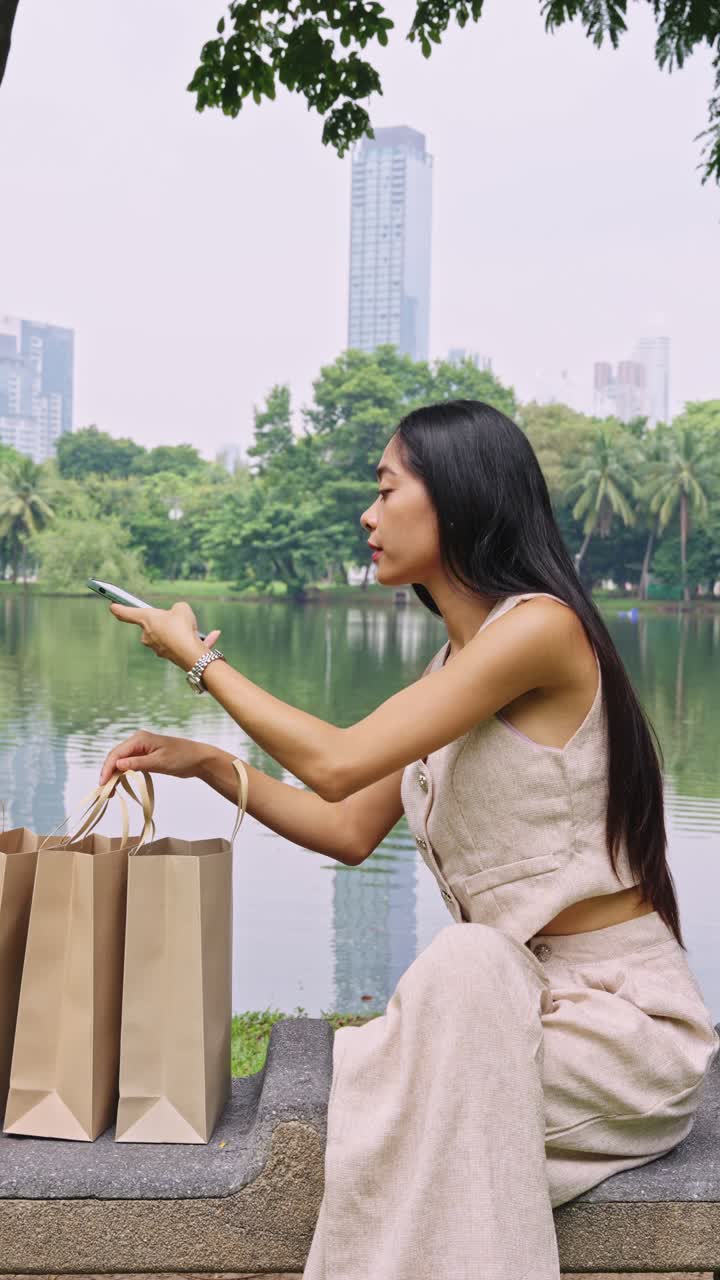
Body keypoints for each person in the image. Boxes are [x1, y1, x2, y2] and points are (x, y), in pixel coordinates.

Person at [101, 399, 719, 1280]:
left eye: (387, 488)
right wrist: (206, 765)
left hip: (615, 1035)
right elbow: (350, 828)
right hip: (511, 1009)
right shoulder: (451, 673)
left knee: (448, 994)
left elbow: (340, 764)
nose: (368, 513)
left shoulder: (541, 632)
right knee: (448, 1008)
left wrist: (198, 662)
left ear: (460, 499)